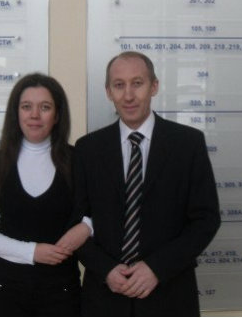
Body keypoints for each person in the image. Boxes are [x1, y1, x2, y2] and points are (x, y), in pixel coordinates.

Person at [73, 52, 221, 316]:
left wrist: (157, 268)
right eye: (119, 85)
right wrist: (105, 269)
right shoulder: (88, 149)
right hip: (104, 299)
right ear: (108, 92)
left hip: (170, 295)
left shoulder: (188, 144)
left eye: (137, 83)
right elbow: (75, 223)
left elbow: (206, 220)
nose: (128, 95)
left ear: (154, 86)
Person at [0, 73, 90, 316]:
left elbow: (101, 212)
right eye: (26, 107)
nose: (35, 115)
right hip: (6, 289)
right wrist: (32, 252)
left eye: (45, 107)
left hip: (61, 290)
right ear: (16, 113)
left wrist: (88, 226)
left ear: (57, 115)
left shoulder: (77, 159)